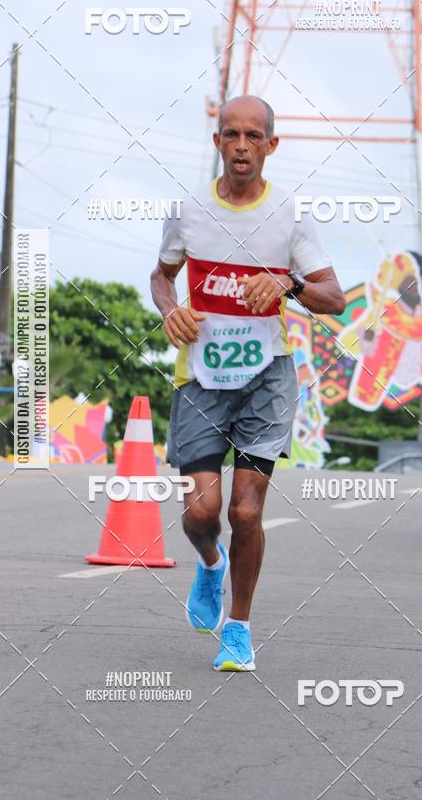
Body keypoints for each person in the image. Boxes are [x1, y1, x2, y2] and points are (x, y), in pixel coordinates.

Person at [150, 95, 346, 670]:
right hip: (202, 377)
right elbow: (162, 276)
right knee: (203, 513)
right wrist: (168, 310)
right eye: (230, 134)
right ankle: (209, 563)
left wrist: (285, 283)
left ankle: (238, 629)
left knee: (246, 511)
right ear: (217, 143)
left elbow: (334, 298)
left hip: (267, 378)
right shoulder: (187, 210)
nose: (241, 145)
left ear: (270, 145)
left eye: (253, 136)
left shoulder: (290, 216)